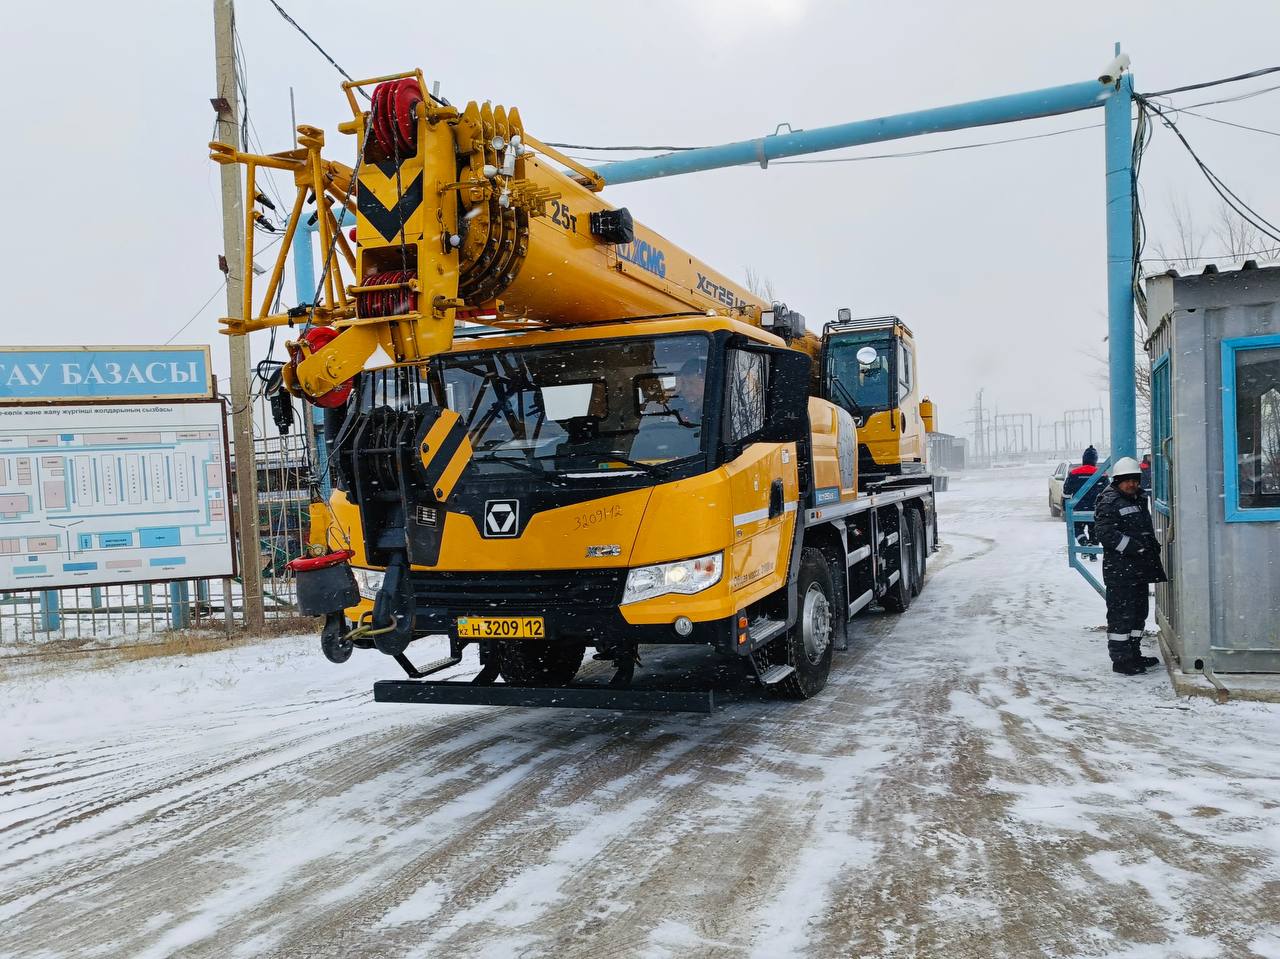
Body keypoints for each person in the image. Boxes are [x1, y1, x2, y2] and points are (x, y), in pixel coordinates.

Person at [1093, 457, 1167, 675]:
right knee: (1121, 616)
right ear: (1118, 481)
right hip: (1120, 571)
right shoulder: (1109, 501)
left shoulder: (1138, 498)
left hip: (1137, 569)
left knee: (1138, 613)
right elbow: (1105, 533)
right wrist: (1134, 547)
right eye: (1127, 480)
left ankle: (1134, 654)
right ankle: (1121, 660)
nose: (1132, 484)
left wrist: (1149, 546)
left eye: (1135, 480)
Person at [1062, 446, 1103, 558]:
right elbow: (1107, 492)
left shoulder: (1074, 473)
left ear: (1083, 459)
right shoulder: (1101, 474)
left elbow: (1066, 492)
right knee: (1094, 531)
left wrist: (1065, 507)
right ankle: (1093, 554)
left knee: (1077, 529)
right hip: (1096, 509)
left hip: (1078, 508)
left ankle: (1084, 543)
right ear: (1095, 460)